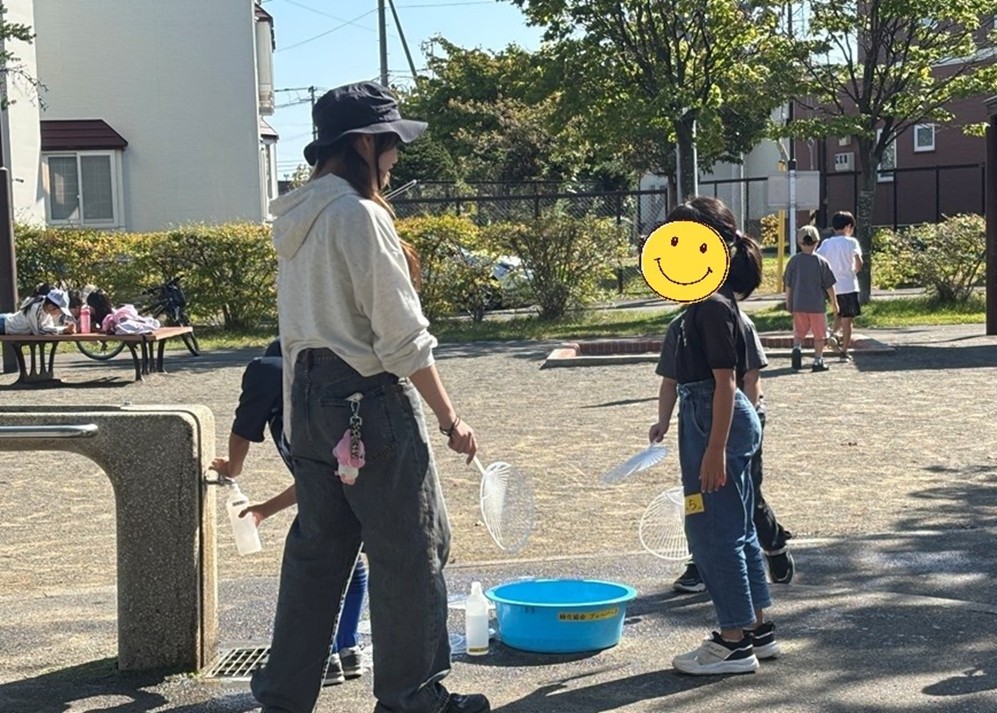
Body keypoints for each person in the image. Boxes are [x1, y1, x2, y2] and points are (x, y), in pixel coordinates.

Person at [251, 81, 489, 713]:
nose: (395, 157)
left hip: (305, 395)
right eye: (389, 144)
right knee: (412, 548)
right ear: (362, 142)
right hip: (366, 397)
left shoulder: (298, 219)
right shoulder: (358, 216)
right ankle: (414, 699)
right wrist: (450, 417)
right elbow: (403, 338)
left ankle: (283, 695)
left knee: (317, 551)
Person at [648, 196, 777, 676]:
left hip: (716, 421)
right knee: (736, 530)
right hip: (713, 418)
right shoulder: (704, 306)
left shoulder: (711, 306)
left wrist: (715, 449)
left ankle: (732, 641)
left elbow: (726, 382)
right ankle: (756, 629)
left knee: (710, 533)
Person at [210, 339, 369, 687]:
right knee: (352, 557)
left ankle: (321, 659)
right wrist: (265, 509)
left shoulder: (270, 371)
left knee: (313, 567)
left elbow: (243, 428)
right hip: (363, 475)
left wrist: (233, 467)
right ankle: (348, 648)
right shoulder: (340, 367)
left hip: (339, 479)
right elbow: (324, 475)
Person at [666, 309, 796, 594]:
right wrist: (663, 421)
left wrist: (733, 433)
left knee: (744, 493)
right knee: (700, 492)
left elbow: (750, 378)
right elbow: (670, 379)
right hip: (701, 420)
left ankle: (774, 546)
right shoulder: (679, 326)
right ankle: (699, 562)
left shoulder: (737, 321)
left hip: (738, 418)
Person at [784, 225, 838, 372]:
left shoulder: (793, 262)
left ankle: (796, 348)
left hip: (799, 304)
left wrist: (788, 302)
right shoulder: (821, 262)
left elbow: (788, 285)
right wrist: (835, 302)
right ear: (817, 242)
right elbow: (829, 285)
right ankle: (818, 360)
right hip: (816, 305)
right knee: (819, 334)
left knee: (799, 331)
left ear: (799, 242)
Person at [816, 211, 863, 360]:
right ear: (849, 226)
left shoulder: (826, 243)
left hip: (832, 287)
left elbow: (819, 260)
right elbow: (859, 261)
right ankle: (843, 350)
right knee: (847, 320)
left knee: (837, 314)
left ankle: (833, 335)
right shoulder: (851, 242)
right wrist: (854, 271)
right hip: (849, 285)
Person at [0, 287, 77, 335]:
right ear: (51, 307)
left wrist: (66, 329)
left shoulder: (47, 312)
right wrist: (63, 330)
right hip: (4, 324)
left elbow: (49, 328)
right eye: (60, 311)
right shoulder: (35, 308)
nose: (60, 314)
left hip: (6, 321)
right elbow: (39, 331)